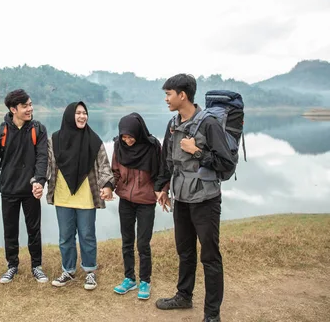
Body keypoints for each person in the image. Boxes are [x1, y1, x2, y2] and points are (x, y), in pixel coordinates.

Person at [154, 74, 235, 322]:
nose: (166, 99)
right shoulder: (172, 124)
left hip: (206, 200)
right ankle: (183, 296)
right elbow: (167, 159)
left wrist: (197, 151)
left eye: (169, 94)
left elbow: (226, 165)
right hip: (182, 197)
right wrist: (163, 187)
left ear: (183, 95)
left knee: (209, 256)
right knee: (185, 251)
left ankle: (212, 315)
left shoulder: (209, 124)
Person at [34, 101, 113, 290]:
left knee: (87, 235)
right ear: (70, 115)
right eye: (78, 113)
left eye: (84, 112)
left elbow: (104, 167)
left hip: (86, 196)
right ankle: (68, 270)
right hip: (63, 195)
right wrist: (39, 182)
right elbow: (46, 165)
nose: (82, 116)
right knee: (65, 236)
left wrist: (108, 185)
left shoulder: (94, 140)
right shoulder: (55, 139)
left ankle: (90, 272)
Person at [0, 89, 49, 284]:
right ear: (13, 109)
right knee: (10, 230)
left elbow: (42, 158)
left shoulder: (38, 129)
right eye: (25, 106)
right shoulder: (1, 132)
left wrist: (39, 181)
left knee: (34, 230)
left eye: (30, 104)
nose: (30, 109)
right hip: (9, 189)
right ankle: (12, 265)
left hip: (30, 190)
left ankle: (36, 266)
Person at [111, 112, 168, 301]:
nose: (127, 140)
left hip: (146, 201)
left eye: (130, 136)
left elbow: (162, 171)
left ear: (139, 132)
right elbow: (115, 172)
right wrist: (109, 187)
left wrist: (162, 190)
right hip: (125, 199)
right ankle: (129, 278)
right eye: (124, 136)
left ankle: (145, 280)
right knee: (127, 241)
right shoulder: (119, 146)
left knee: (143, 243)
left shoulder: (152, 147)